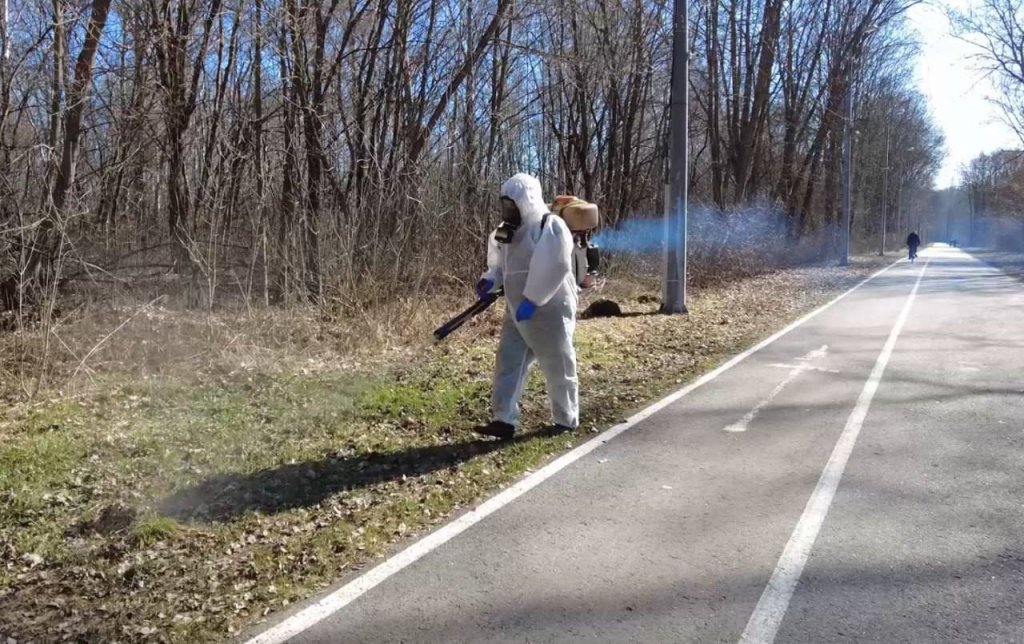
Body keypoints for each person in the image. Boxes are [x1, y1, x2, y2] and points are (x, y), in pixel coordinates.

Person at [474, 173, 579, 440]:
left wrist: (533, 299)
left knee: (558, 364)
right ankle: (503, 419)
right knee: (509, 362)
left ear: (527, 200)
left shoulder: (549, 226)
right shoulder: (506, 231)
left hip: (549, 310)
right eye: (505, 204)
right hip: (517, 310)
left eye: (513, 204)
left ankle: (566, 419)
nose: (508, 210)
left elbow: (555, 265)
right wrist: (490, 281)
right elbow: (498, 265)